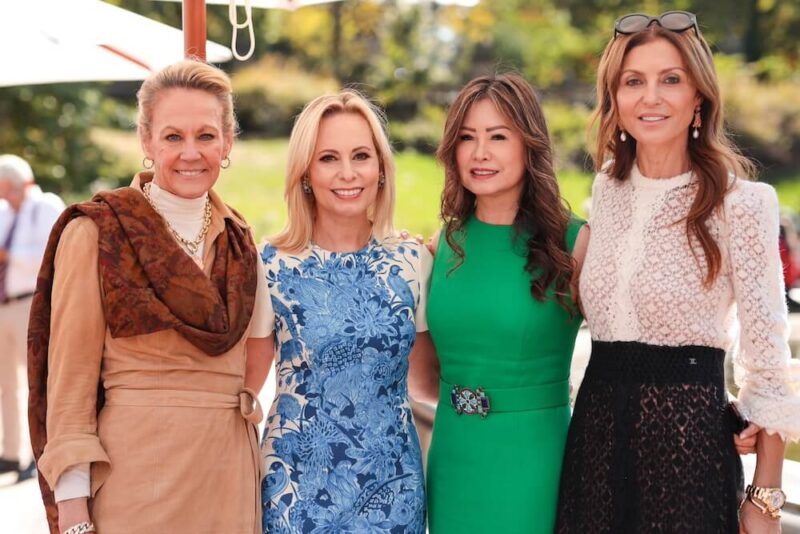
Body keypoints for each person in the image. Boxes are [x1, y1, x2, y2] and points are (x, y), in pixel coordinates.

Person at [555, 11, 800, 533]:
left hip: (689, 459)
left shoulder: (744, 204)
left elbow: (769, 365)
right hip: (594, 449)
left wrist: (764, 499)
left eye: (671, 79)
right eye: (633, 81)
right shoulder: (607, 191)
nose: (651, 97)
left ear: (699, 98)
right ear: (614, 101)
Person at [28, 60, 272, 534]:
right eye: (172, 137)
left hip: (230, 477)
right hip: (138, 477)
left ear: (227, 143)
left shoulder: (242, 240)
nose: (190, 153)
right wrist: (74, 505)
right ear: (146, 141)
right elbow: (70, 381)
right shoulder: (98, 231)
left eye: (205, 136)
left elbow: (252, 364)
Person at [409, 72, 589, 533]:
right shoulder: (441, 245)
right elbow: (424, 378)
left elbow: (622, 355)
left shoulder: (575, 241)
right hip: (454, 457)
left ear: (529, 145)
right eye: (467, 137)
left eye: (498, 137)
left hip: (536, 459)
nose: (480, 152)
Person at [254, 90, 431, 533]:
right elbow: (242, 386)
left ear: (381, 169)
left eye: (361, 156)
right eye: (329, 158)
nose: (348, 173)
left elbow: (429, 380)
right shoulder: (269, 264)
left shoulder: (413, 261)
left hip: (394, 487)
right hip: (295, 487)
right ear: (306, 173)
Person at [0, 155, 64, 483]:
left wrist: (10, 256)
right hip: (3, 304)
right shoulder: (3, 212)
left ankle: (38, 454)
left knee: (35, 382)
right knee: (5, 385)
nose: (3, 197)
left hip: (31, 304)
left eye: (6, 190)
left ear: (17, 184)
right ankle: (11, 453)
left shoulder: (46, 206)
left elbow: (52, 255)